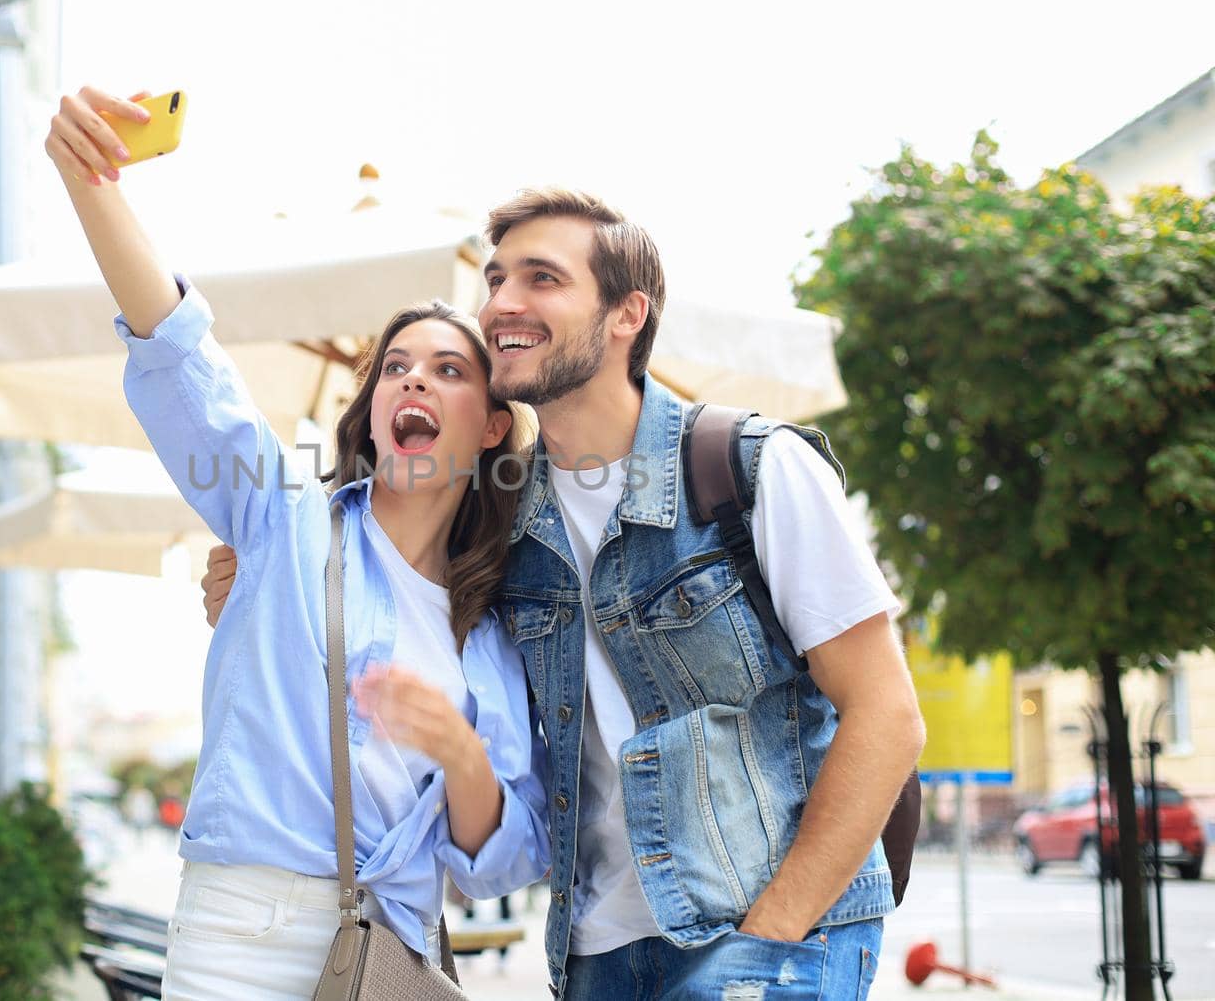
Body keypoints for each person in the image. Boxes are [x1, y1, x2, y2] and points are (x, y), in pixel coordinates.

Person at [203, 188, 926, 999]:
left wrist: (776, 927)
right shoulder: (505, 526)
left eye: (541, 278)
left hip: (760, 939)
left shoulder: (748, 467)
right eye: (497, 277)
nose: (502, 303)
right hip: (595, 955)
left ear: (627, 314)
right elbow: (405, 611)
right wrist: (257, 589)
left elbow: (887, 714)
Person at [45, 86, 550, 1001]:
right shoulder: (283, 520)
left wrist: (462, 754)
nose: (415, 383)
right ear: (373, 407)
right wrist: (94, 187)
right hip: (238, 931)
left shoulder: (490, 628)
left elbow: (500, 858)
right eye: (396, 367)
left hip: (388, 950)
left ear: (488, 427)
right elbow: (184, 359)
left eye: (447, 370)